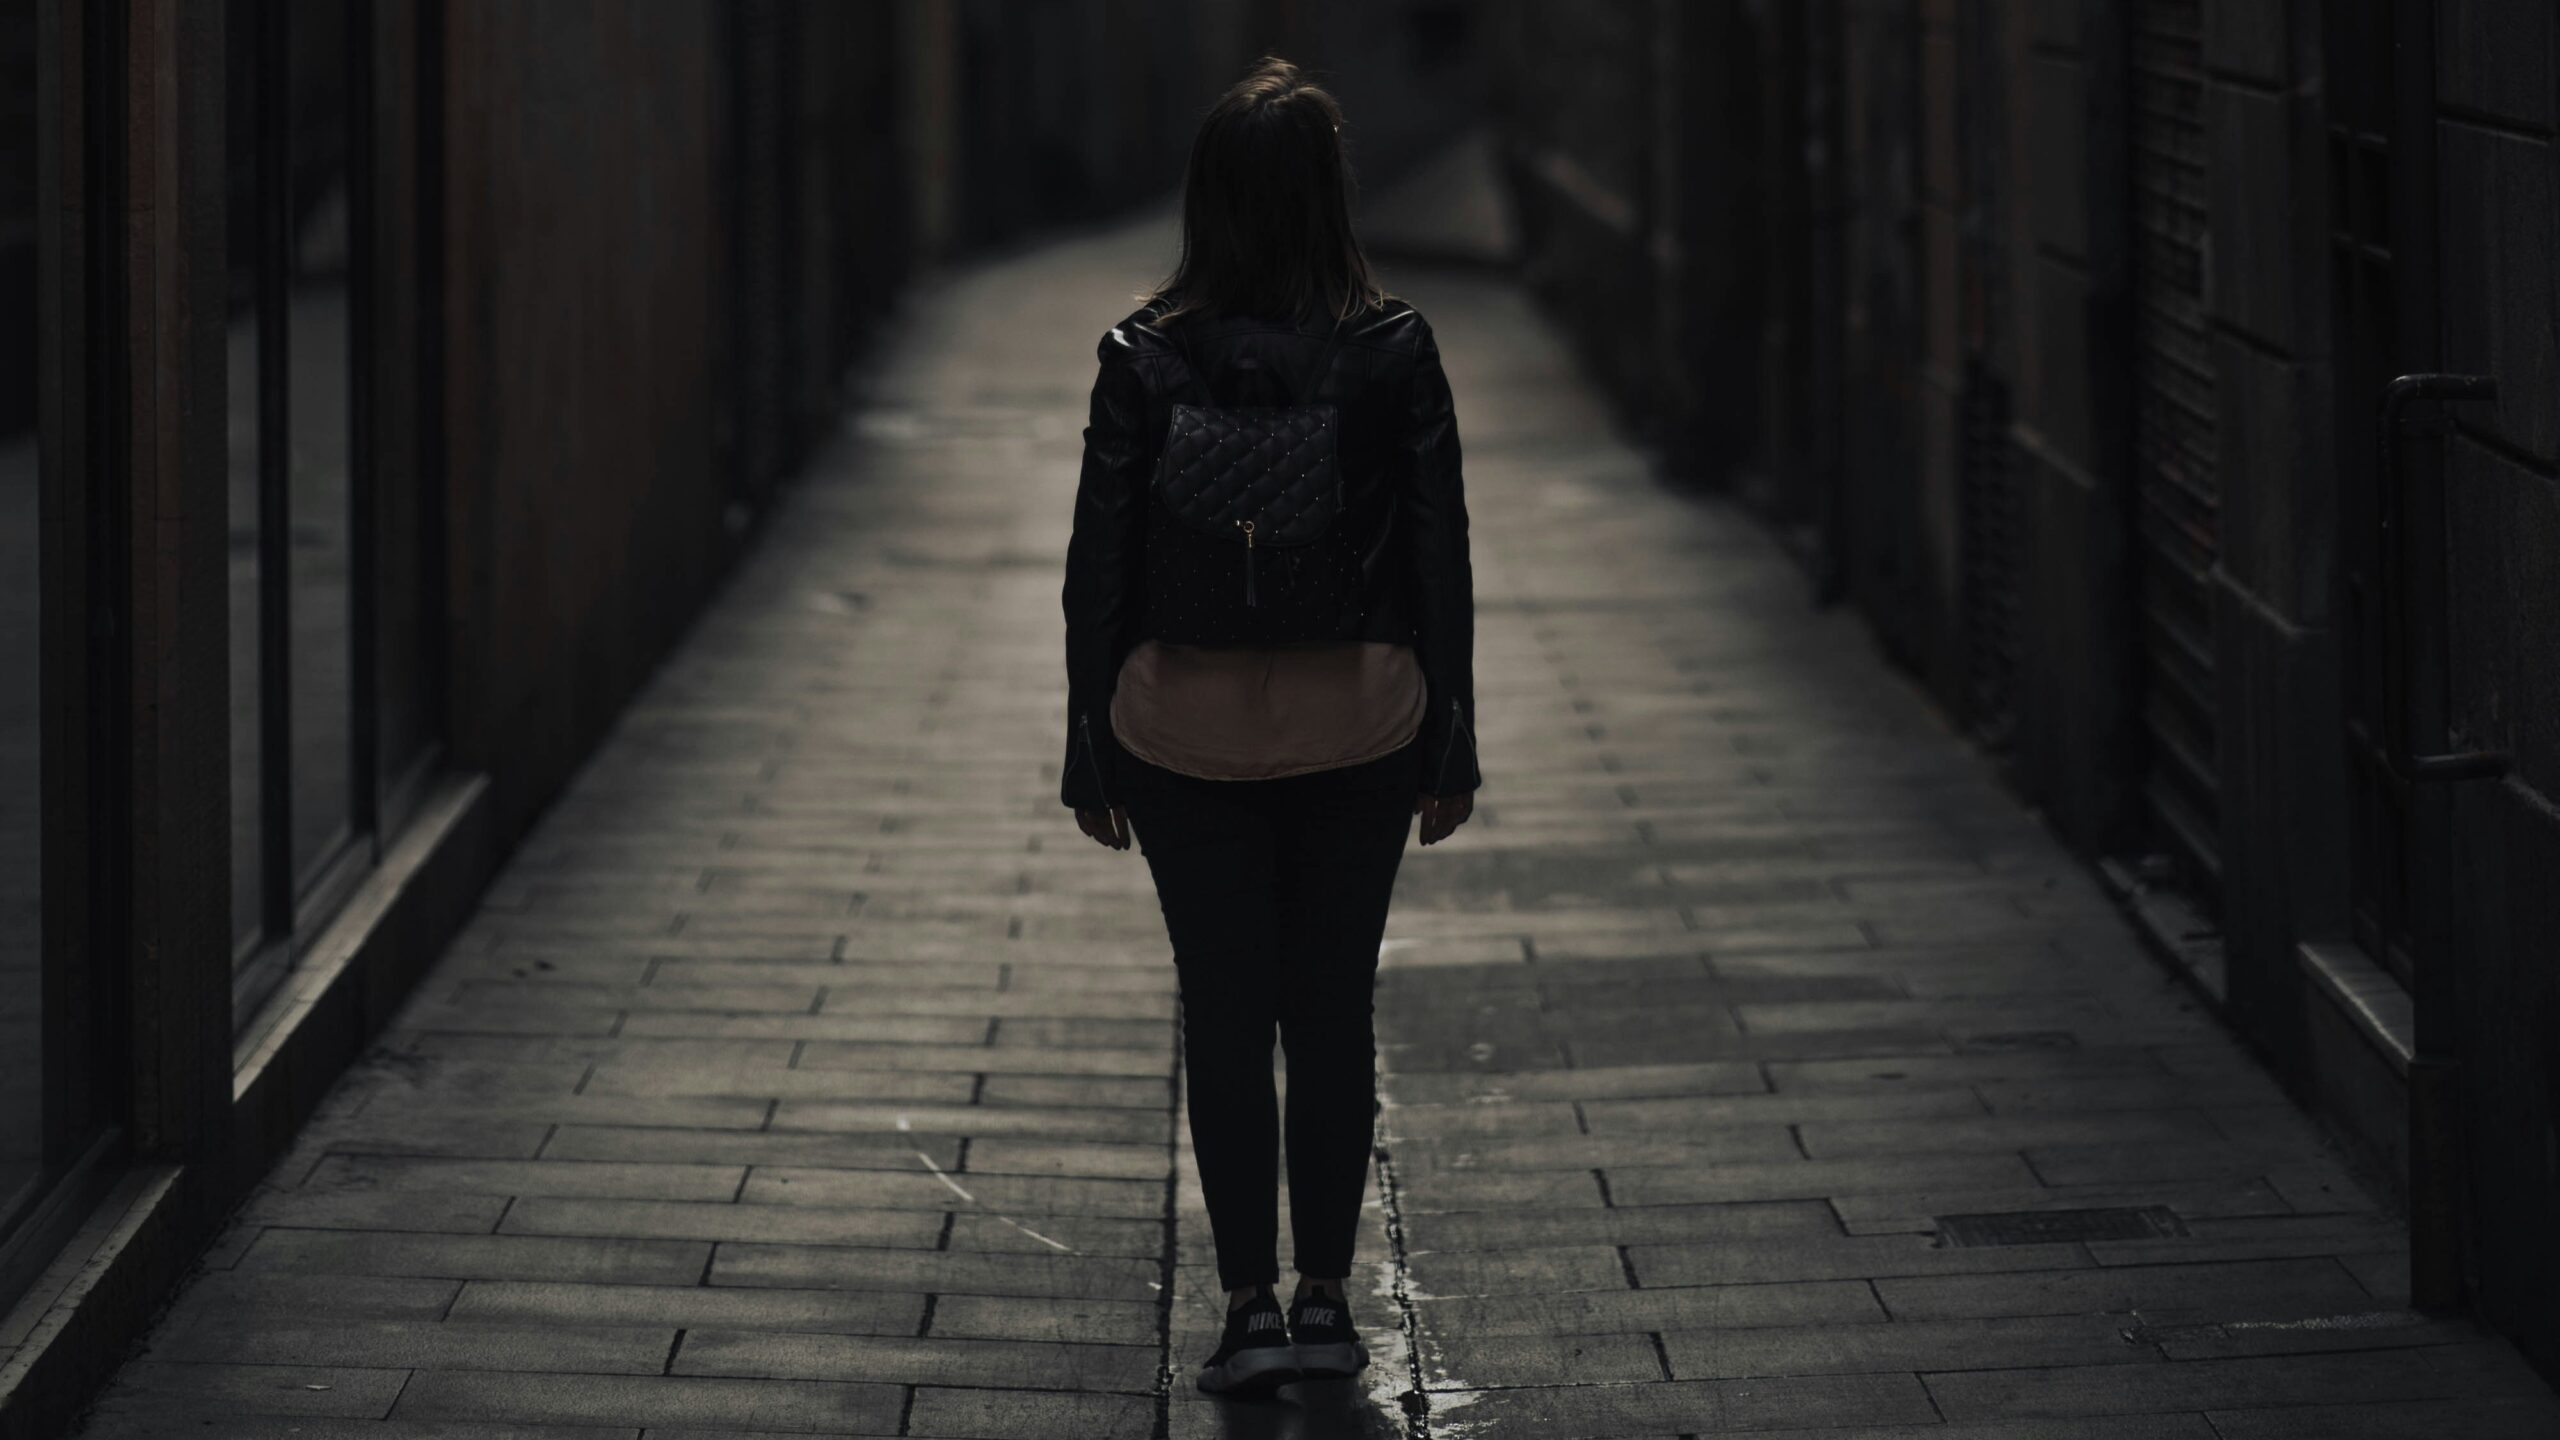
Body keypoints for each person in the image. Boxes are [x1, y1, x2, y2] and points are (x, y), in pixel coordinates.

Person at [1058, 57, 1479, 1399]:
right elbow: (1438, 558)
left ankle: (1243, 1308)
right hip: (1361, 726)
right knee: (1333, 1013)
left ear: (1207, 201)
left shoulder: (1141, 356)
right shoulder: (1394, 349)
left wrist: (1089, 743)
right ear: (1332, 197)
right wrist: (1451, 739)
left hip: (1178, 733)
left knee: (1227, 1016)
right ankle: (1326, 1306)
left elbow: (1099, 565)